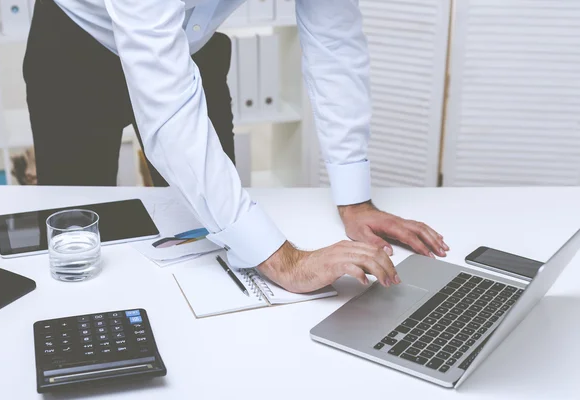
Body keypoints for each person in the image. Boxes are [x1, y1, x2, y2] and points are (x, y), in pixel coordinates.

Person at [23, 0, 449, 294]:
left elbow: (334, 42)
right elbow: (168, 112)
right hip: (74, 47)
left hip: (191, 42)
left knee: (213, 239)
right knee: (73, 233)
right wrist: (284, 261)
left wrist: (355, 200)